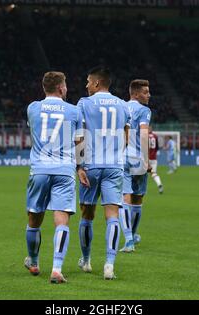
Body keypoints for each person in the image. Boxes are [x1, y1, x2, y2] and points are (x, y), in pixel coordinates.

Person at [24, 71, 87, 284]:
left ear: (44, 88)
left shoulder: (32, 108)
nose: (67, 88)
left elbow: (34, 133)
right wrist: (80, 167)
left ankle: (33, 261)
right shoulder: (74, 111)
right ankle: (56, 269)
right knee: (62, 221)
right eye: (66, 85)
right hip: (64, 170)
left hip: (40, 169)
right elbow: (80, 143)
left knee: (34, 220)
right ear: (61, 88)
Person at [77, 66, 130, 280]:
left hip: (91, 165)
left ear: (97, 83)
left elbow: (79, 136)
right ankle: (109, 264)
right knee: (112, 217)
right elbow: (127, 137)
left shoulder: (84, 103)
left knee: (87, 215)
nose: (86, 85)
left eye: (88, 81)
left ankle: (87, 260)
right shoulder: (123, 106)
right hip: (114, 166)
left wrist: (79, 165)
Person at [119, 79, 152, 253]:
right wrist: (147, 160)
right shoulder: (144, 110)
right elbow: (145, 133)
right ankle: (132, 234)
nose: (149, 95)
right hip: (138, 157)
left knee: (126, 197)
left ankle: (129, 239)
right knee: (137, 199)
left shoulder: (121, 107)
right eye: (145, 92)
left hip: (122, 157)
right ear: (136, 93)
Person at [149, 126, 163, 194]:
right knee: (154, 173)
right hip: (154, 158)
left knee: (140, 174)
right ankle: (159, 184)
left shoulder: (144, 135)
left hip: (146, 158)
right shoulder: (155, 136)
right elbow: (157, 147)